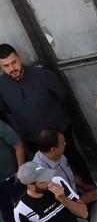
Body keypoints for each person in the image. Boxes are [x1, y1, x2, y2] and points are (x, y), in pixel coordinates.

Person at [0, 45, 91, 182]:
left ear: (19, 57)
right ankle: (67, 198)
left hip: (59, 132)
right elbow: (6, 110)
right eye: (6, 66)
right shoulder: (1, 86)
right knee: (45, 173)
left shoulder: (43, 76)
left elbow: (63, 98)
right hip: (32, 138)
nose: (12, 68)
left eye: (14, 62)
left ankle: (90, 187)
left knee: (72, 159)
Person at [13, 162, 87, 222]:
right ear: (30, 186)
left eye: (46, 176)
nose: (49, 182)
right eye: (43, 182)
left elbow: (84, 213)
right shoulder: (22, 210)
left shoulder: (57, 182)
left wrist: (63, 198)